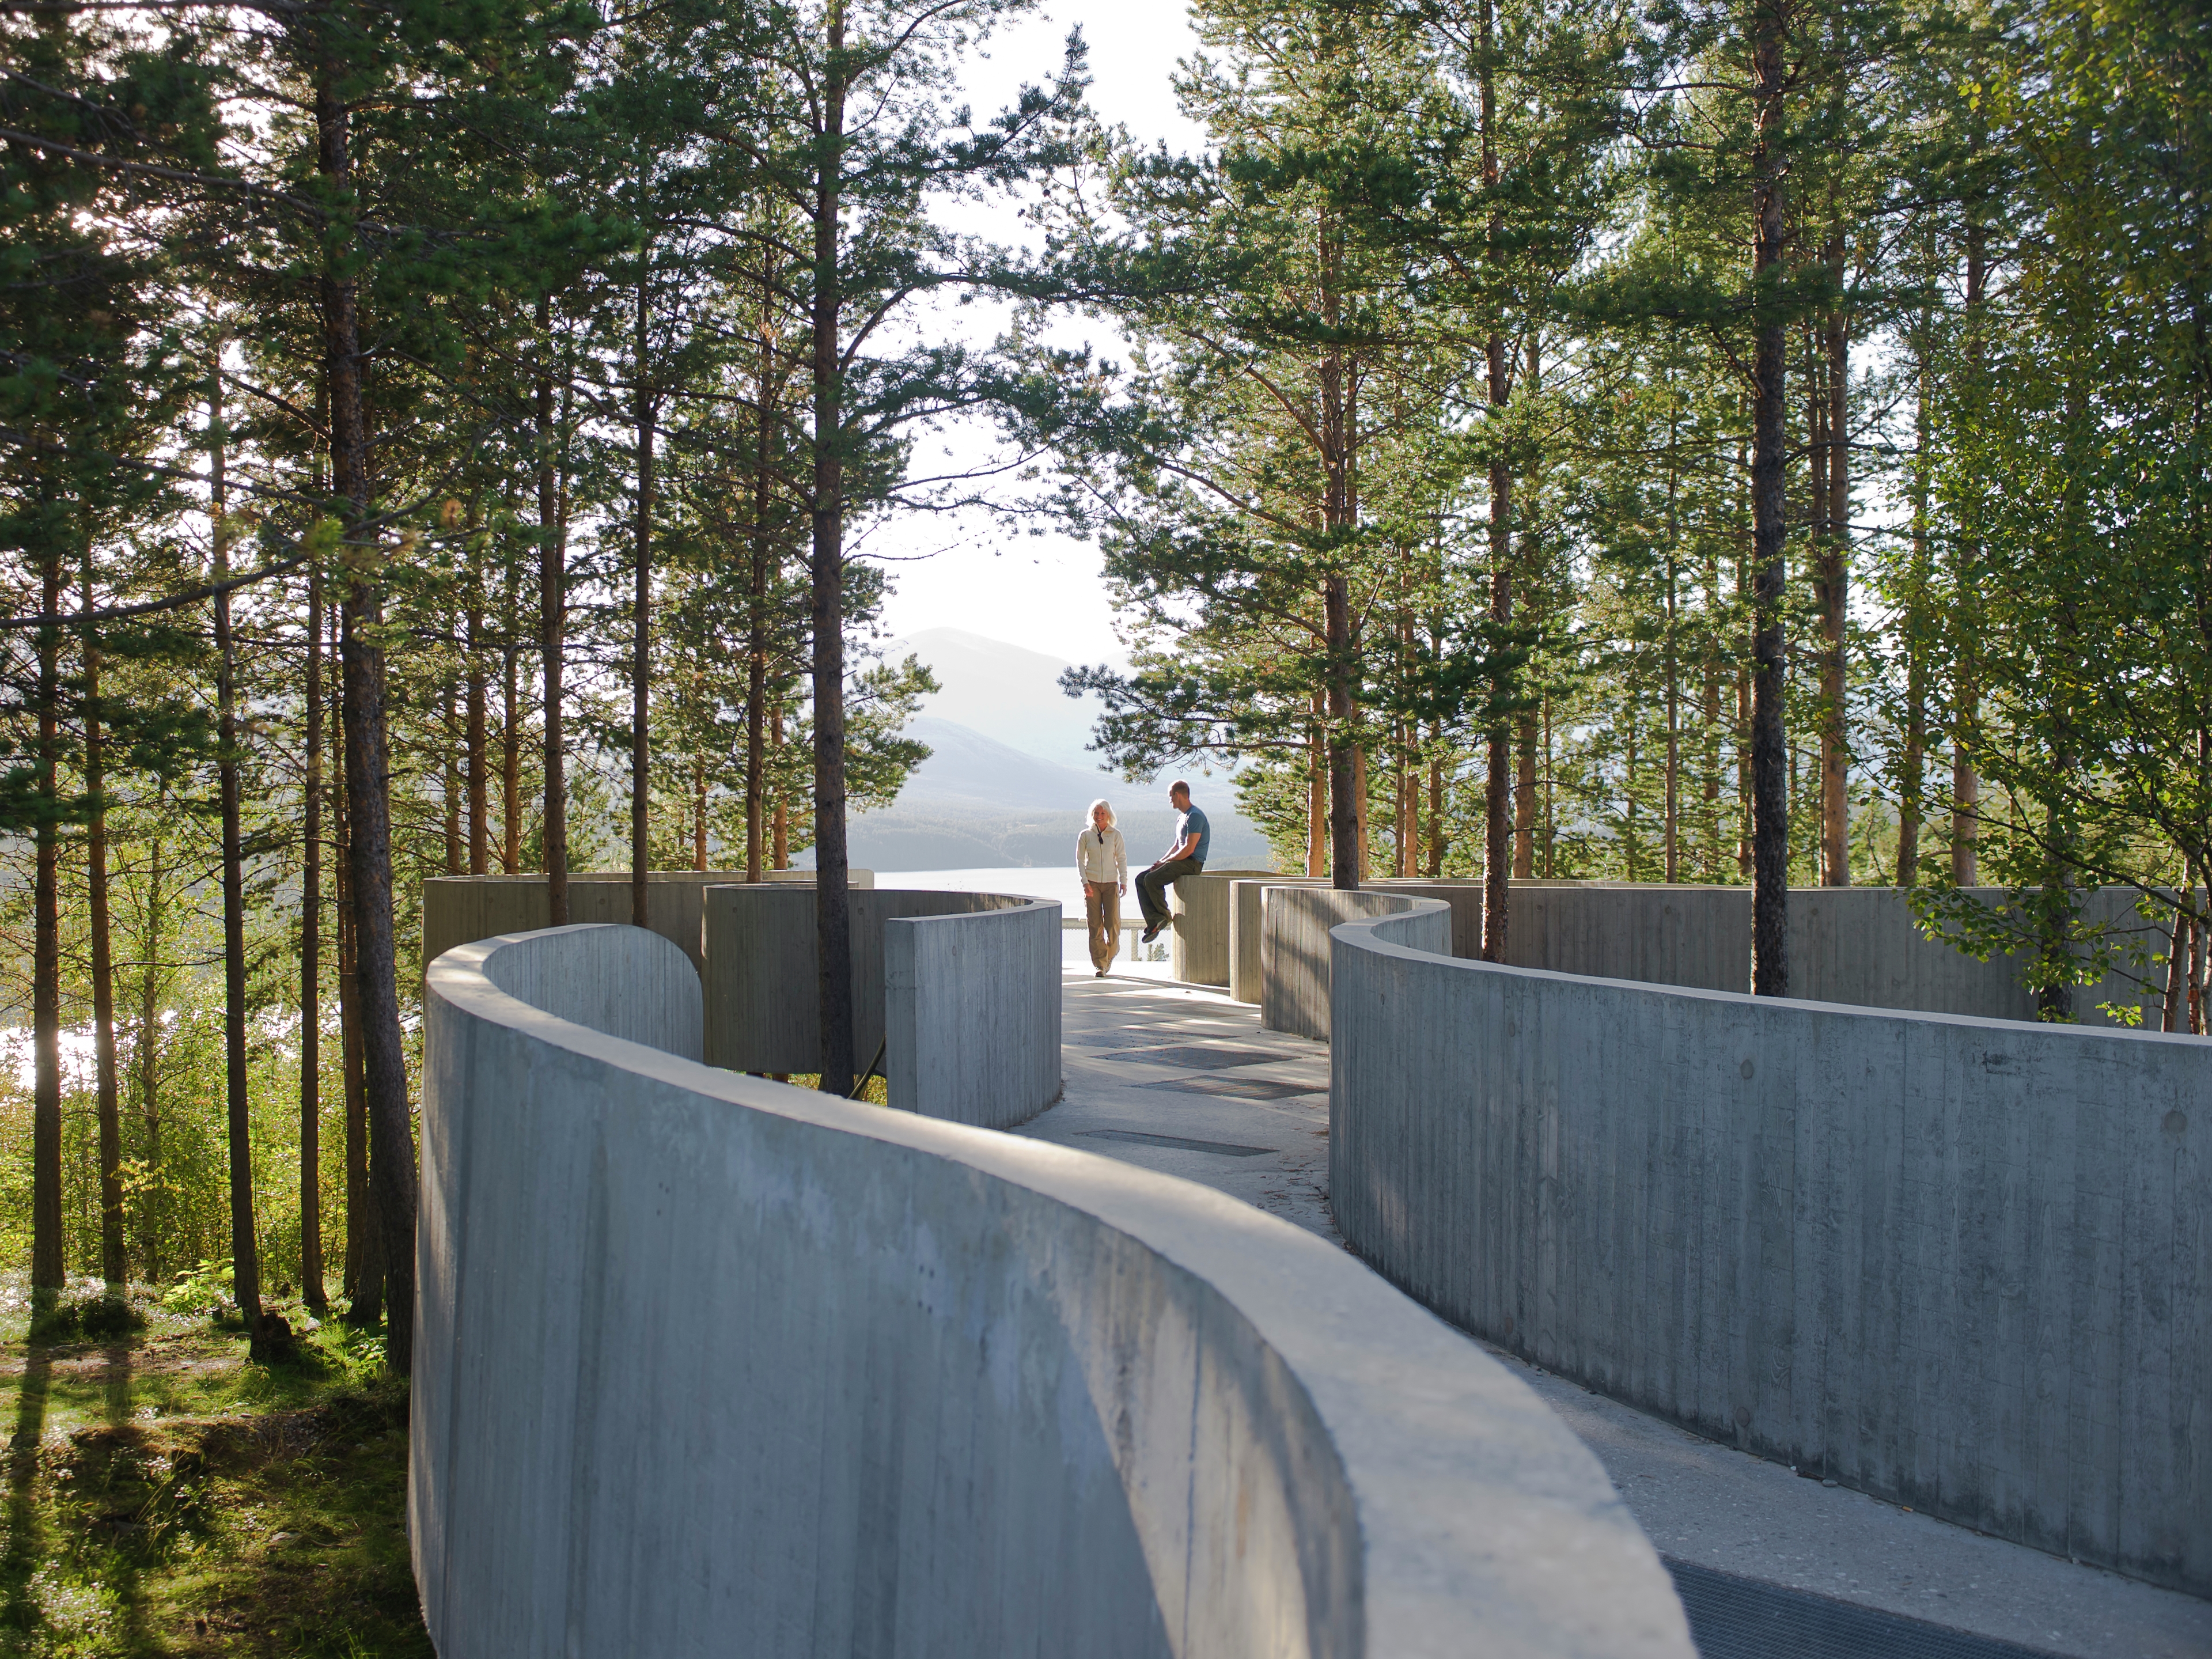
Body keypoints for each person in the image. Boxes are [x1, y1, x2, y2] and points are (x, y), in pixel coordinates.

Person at [1135, 780, 1209, 944]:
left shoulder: (1195, 816)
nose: (1170, 800)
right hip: (1180, 860)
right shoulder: (1182, 818)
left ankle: (1164, 916)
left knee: (1152, 879)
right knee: (1141, 879)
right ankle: (1154, 920)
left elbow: (1189, 849)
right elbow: (1176, 845)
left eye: (1171, 796)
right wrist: (1161, 862)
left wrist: (1167, 862)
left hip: (1192, 863)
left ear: (1177, 795)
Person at [1075, 798, 1128, 976]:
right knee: (1095, 924)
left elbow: (1121, 858)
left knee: (1113, 923)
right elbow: (1080, 861)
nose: (1099, 816)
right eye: (1096, 813)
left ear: (1108, 815)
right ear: (1092, 815)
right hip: (1092, 884)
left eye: (1102, 813)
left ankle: (1110, 954)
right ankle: (1100, 965)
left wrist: (1124, 881)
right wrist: (1085, 883)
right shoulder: (1085, 835)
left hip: (1111, 884)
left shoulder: (1115, 835)